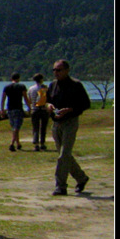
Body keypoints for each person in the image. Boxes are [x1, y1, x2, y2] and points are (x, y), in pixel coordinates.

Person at [46, 60, 91, 196]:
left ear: (66, 70)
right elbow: (47, 101)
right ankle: (81, 178)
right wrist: (48, 106)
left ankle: (60, 186)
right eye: (54, 70)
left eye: (59, 70)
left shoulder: (76, 85)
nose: (56, 73)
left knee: (64, 154)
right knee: (64, 155)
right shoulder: (53, 85)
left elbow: (86, 104)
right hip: (56, 123)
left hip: (70, 122)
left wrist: (70, 110)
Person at [0, 72, 32, 151]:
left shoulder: (6, 87)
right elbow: (25, 98)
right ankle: (12, 143)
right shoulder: (21, 86)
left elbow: (3, 99)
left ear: (11, 79)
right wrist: (29, 107)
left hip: (10, 109)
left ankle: (18, 143)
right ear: (18, 78)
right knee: (16, 127)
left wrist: (2, 110)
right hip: (18, 108)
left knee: (14, 127)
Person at [28, 73, 50, 151]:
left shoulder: (31, 89)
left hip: (34, 109)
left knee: (35, 128)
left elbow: (29, 99)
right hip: (43, 109)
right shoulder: (45, 88)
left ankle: (36, 144)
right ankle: (42, 143)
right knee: (43, 127)